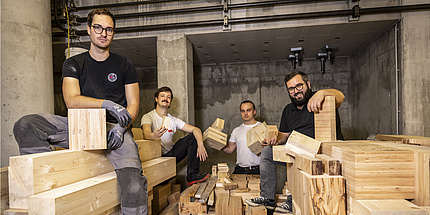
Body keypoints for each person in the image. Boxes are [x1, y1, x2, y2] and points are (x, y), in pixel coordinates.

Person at [13, 9, 147, 214]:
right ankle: (43, 187)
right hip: (80, 126)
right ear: (88, 30)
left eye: (109, 29)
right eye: (98, 27)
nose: (103, 33)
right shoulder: (74, 63)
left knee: (134, 184)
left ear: (113, 33)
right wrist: (106, 103)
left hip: (114, 130)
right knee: (26, 124)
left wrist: (122, 127)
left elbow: (133, 105)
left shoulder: (124, 65)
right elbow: (71, 100)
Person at [245, 71, 344, 213]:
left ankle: (292, 201)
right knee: (267, 152)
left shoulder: (321, 99)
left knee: (299, 156)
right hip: (297, 150)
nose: (296, 91)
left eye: (299, 86)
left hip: (323, 152)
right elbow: (283, 136)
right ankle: (268, 198)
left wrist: (322, 93)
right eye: (291, 89)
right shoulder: (288, 110)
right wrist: (274, 140)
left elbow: (341, 96)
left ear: (308, 84)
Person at [140, 86, 210, 186]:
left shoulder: (173, 120)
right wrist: (153, 135)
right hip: (156, 157)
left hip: (171, 154)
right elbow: (146, 133)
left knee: (193, 136)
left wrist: (200, 144)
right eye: (162, 96)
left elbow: (196, 129)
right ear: (156, 99)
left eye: (168, 97)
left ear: (170, 102)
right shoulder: (148, 116)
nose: (165, 98)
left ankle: (192, 175)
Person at [222, 100, 261, 174]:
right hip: (240, 170)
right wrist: (217, 144)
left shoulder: (262, 127)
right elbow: (230, 149)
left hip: (257, 169)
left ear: (254, 112)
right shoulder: (236, 130)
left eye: (248, 110)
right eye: (243, 111)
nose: (245, 113)